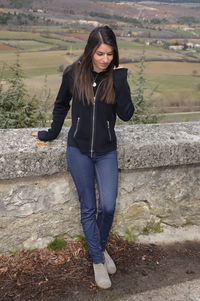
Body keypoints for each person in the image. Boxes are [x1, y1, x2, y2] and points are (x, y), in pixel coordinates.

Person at [32, 25, 134, 289]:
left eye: (110, 54)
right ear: (90, 50)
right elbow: (61, 105)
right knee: (89, 207)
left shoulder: (116, 78)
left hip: (106, 151)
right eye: (100, 53)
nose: (105, 59)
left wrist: (121, 83)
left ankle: (97, 250)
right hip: (77, 150)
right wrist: (50, 133)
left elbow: (126, 114)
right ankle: (98, 261)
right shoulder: (73, 74)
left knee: (108, 206)